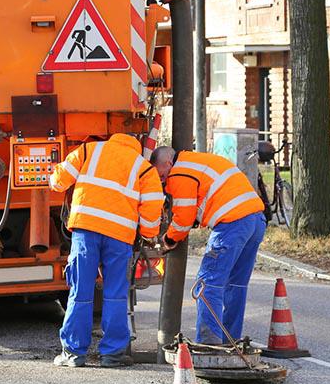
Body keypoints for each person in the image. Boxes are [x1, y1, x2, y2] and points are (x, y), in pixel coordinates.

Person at [49, 133, 164, 367]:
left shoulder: (88, 150)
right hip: (119, 236)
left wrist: (54, 175)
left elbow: (59, 182)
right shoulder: (143, 167)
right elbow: (152, 208)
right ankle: (112, 354)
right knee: (115, 293)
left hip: (86, 229)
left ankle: (73, 354)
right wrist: (149, 236)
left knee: (80, 290)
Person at [150, 146, 266, 345]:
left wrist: (168, 240)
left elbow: (183, 218)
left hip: (232, 223)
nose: (161, 179)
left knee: (207, 283)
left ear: (168, 163)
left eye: (160, 174)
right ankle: (231, 339)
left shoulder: (180, 172)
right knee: (236, 284)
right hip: (255, 220)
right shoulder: (199, 161)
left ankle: (209, 342)